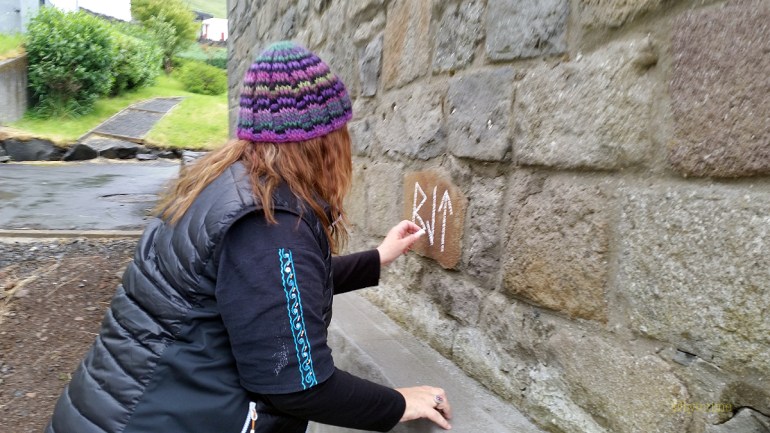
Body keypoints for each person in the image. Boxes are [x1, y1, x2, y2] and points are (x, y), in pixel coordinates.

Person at [45, 41, 452, 433]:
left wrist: (377, 258)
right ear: (324, 141)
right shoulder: (270, 222)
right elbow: (296, 384)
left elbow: (269, 290)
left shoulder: (228, 183)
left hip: (123, 405)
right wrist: (399, 402)